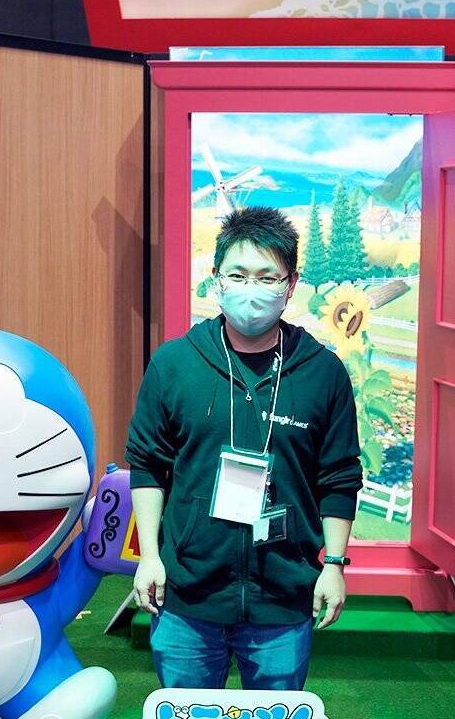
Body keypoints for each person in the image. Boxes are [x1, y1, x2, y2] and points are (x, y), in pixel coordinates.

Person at [126, 206, 363, 691]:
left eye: (267, 277)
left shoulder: (323, 373)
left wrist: (334, 565)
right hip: (187, 593)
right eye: (237, 275)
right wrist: (150, 556)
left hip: (283, 596)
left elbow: (339, 477)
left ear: (291, 285)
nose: (251, 290)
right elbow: (148, 465)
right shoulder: (174, 364)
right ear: (216, 278)